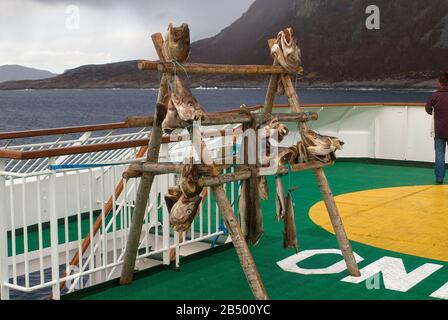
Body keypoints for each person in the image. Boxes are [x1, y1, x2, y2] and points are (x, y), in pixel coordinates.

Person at [426, 72, 448, 184]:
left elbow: (428, 109)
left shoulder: (434, 96)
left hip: (439, 130)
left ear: (440, 83)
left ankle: (439, 179)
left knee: (439, 154)